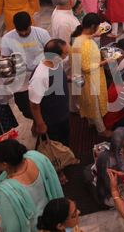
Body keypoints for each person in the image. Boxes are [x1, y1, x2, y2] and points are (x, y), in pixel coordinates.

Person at [0, 140, 64, 232]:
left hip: (36, 228)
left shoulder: (7, 192)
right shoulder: (36, 157)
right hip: (52, 217)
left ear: (4, 164)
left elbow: (11, 226)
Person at [29, 39, 79, 185]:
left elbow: (60, 77)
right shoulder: (40, 76)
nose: (68, 54)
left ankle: (66, 158)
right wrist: (40, 124)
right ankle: (57, 170)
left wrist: (70, 79)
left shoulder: (56, 64)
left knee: (64, 139)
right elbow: (34, 105)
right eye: (65, 52)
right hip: (49, 119)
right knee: (52, 146)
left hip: (62, 113)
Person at [70, 13, 111, 137]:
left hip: (82, 78)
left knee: (88, 103)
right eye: (98, 27)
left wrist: (93, 35)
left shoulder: (79, 38)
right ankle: (101, 130)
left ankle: (91, 122)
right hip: (91, 79)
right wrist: (105, 62)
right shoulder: (86, 44)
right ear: (93, 26)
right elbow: (87, 67)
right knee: (95, 104)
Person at [85, 127, 124, 207]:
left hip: (110, 199)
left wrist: (97, 158)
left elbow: (95, 172)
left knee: (87, 171)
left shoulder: (102, 158)